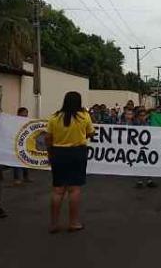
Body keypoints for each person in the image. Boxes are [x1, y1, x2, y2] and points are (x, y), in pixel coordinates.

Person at [45, 92, 95, 233]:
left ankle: (54, 224)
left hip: (59, 153)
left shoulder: (54, 117)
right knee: (74, 189)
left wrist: (50, 154)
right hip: (77, 153)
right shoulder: (84, 116)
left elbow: (48, 138)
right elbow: (91, 133)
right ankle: (73, 222)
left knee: (58, 190)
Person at [132, 109, 157, 188]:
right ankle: (140, 181)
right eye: (141, 115)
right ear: (138, 116)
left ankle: (149, 180)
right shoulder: (135, 124)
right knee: (139, 164)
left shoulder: (149, 123)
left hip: (148, 147)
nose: (142, 117)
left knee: (148, 164)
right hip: (138, 147)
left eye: (144, 115)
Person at [13, 107, 32, 185]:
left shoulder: (27, 122)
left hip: (25, 145)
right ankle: (17, 178)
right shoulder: (14, 122)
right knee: (16, 162)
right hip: (16, 145)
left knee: (26, 161)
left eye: (26, 113)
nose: (25, 115)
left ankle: (26, 177)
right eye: (23, 113)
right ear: (19, 113)